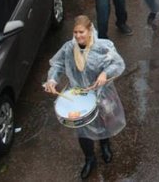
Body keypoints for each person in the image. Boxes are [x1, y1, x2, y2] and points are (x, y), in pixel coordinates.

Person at [43, 15, 126, 180]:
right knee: (83, 128)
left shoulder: (103, 46)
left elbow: (117, 64)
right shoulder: (68, 48)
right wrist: (52, 80)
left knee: (104, 120)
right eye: (75, 32)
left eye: (81, 32)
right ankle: (89, 158)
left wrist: (105, 73)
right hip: (79, 95)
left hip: (102, 93)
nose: (78, 36)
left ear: (89, 31)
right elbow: (58, 65)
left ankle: (105, 145)